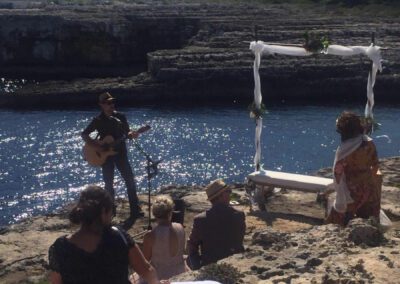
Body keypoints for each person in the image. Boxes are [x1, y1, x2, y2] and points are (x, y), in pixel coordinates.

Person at [48, 185, 164, 284]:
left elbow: (56, 281)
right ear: (103, 211)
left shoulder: (60, 247)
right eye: (111, 210)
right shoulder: (119, 237)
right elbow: (146, 270)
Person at [81, 92, 145, 222]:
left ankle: (135, 210)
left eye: (112, 102)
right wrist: (97, 147)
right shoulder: (97, 120)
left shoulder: (120, 117)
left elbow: (127, 132)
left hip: (121, 154)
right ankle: (110, 211)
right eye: (108, 103)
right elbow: (84, 134)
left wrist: (133, 134)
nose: (111, 105)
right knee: (108, 185)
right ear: (101, 105)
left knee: (130, 181)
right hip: (106, 157)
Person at [324, 111, 382, 226]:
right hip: (369, 188)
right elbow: (375, 165)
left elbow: (338, 174)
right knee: (368, 220)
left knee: (336, 222)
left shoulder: (344, 151)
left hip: (352, 190)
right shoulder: (369, 143)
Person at [187, 179, 246, 270]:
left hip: (209, 267)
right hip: (235, 265)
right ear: (221, 196)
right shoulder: (239, 215)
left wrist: (197, 267)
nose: (230, 194)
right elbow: (239, 241)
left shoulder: (200, 220)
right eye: (228, 191)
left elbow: (192, 245)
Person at [141, 195, 190, 280]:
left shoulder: (150, 235)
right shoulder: (180, 227)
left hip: (159, 277)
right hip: (180, 273)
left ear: (154, 214)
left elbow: (145, 261)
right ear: (170, 212)